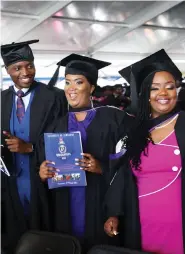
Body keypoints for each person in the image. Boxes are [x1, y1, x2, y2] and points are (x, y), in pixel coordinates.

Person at [37, 54, 133, 252]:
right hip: (64, 206)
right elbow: (40, 165)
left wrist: (101, 168)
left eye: (78, 82)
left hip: (100, 205)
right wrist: (43, 174)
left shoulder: (113, 118)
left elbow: (129, 164)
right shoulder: (55, 126)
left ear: (92, 87)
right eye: (67, 82)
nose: (71, 89)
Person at [104, 49, 185, 254]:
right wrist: (114, 213)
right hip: (140, 221)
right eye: (154, 88)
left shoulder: (183, 123)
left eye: (170, 87)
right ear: (145, 95)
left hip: (179, 223)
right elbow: (121, 176)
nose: (164, 93)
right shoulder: (133, 132)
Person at [1, 40, 66, 254]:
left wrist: (30, 148)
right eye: (17, 68)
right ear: (7, 70)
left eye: (29, 65)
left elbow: (62, 138)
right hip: (10, 181)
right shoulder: (1, 99)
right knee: (16, 234)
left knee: (44, 234)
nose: (25, 72)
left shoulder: (54, 97)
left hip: (42, 178)